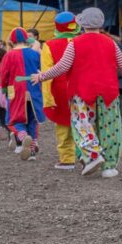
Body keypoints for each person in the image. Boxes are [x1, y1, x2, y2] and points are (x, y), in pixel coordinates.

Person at [32, 7, 122, 178]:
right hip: (108, 91)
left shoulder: (75, 44)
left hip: (82, 92)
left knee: (82, 125)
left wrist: (42, 76)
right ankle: (109, 167)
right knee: (109, 128)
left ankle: (92, 155)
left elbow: (62, 67)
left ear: (82, 25)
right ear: (100, 24)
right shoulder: (110, 43)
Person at [40, 12, 80, 170]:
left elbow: (46, 73)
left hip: (60, 90)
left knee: (64, 125)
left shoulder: (49, 45)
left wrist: (48, 98)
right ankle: (87, 155)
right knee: (85, 122)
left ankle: (67, 159)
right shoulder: (82, 41)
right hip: (82, 88)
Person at [0, 28, 44, 161]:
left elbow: (4, 75)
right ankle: (32, 149)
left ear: (12, 41)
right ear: (26, 39)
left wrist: (5, 90)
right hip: (33, 90)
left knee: (13, 119)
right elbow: (41, 70)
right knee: (32, 119)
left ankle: (23, 137)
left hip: (15, 90)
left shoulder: (9, 55)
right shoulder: (34, 54)